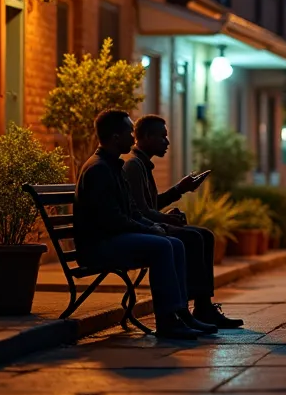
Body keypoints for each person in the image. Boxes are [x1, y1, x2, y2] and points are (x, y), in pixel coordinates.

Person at [73, 110, 217, 340]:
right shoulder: (99, 169)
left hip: (113, 237)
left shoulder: (113, 166)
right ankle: (167, 320)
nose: (133, 137)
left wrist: (152, 226)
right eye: (129, 131)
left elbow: (131, 211)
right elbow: (112, 219)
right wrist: (150, 228)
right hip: (99, 245)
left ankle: (180, 313)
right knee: (163, 246)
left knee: (174, 243)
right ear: (115, 137)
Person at [123, 115, 244, 329]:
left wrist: (179, 190)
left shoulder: (142, 164)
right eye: (163, 137)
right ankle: (185, 310)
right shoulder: (133, 166)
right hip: (142, 230)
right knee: (192, 237)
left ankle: (203, 307)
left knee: (205, 235)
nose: (167, 142)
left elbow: (151, 205)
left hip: (148, 225)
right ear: (148, 137)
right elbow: (140, 211)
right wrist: (166, 219)